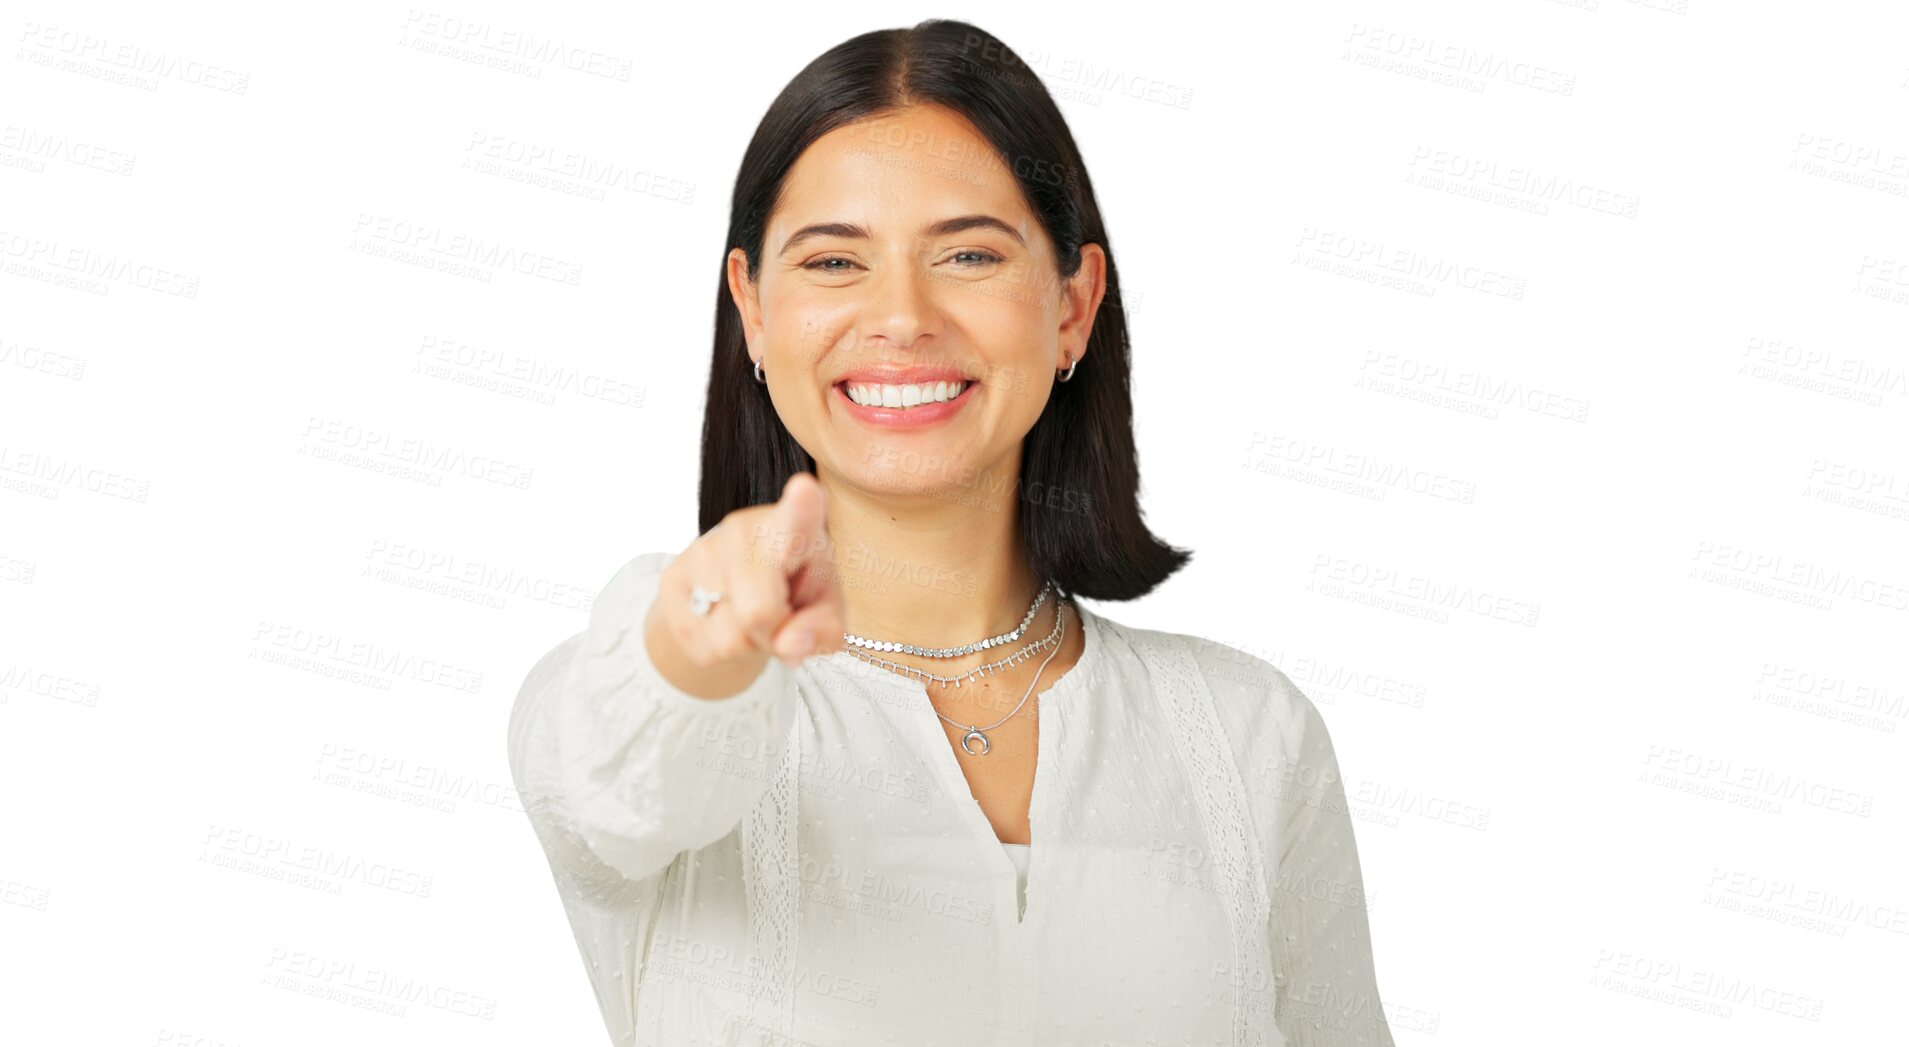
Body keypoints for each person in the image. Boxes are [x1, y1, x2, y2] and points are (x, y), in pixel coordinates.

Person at [506, 18, 1394, 1046]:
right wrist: (692, 649)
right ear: (753, 309)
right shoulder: (628, 698)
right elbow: (617, 777)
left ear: (1072, 305)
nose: (901, 316)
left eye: (968, 253)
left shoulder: (1250, 734)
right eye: (834, 261)